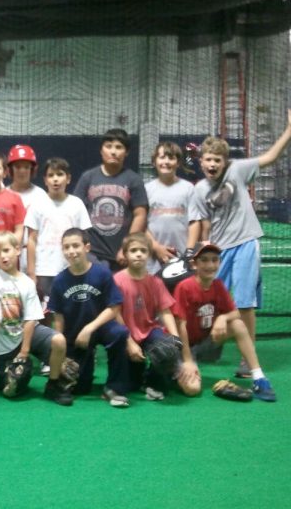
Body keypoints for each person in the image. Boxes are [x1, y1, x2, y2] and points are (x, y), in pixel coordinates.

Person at [193, 112, 291, 377]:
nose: (212, 164)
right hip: (219, 250)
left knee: (245, 302)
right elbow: (204, 223)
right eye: (208, 159)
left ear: (225, 162)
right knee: (211, 302)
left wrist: (289, 130)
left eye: (217, 160)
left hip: (246, 242)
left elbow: (270, 157)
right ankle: (208, 346)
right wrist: (203, 248)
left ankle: (249, 359)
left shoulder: (238, 170)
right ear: (201, 162)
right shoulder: (200, 189)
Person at [172, 242, 276, 402]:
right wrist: (188, 361)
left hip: (203, 345)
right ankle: (172, 373)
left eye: (214, 260)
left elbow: (236, 312)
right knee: (192, 390)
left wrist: (223, 318)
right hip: (181, 348)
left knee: (237, 324)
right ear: (194, 264)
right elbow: (181, 327)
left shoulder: (218, 285)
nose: (210, 265)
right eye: (204, 260)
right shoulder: (185, 287)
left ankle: (259, 378)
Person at [0, 231, 73, 406]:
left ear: (17, 250)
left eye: (6, 250)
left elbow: (31, 319)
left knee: (58, 340)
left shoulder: (26, 283)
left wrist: (24, 352)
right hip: (3, 343)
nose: (3, 256)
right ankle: (14, 375)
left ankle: (53, 384)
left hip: (26, 332)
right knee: (11, 390)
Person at [48, 228, 131, 407]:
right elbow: (58, 316)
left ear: (87, 247)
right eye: (66, 247)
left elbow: (114, 306)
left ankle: (115, 388)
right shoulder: (60, 280)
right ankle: (87, 368)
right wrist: (61, 349)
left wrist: (89, 328)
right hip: (75, 335)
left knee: (119, 333)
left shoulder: (102, 273)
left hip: (100, 328)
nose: (71, 251)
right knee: (80, 388)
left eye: (75, 245)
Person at [113, 233, 179, 400]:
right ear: (125, 254)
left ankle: (152, 381)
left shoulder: (155, 282)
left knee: (168, 348)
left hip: (149, 331)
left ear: (149, 254)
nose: (138, 254)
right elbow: (115, 314)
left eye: (143, 250)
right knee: (130, 384)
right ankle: (138, 377)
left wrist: (175, 336)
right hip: (124, 333)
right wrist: (130, 342)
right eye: (133, 250)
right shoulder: (117, 280)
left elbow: (165, 311)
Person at [74, 128, 148, 271]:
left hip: (121, 256)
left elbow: (140, 215)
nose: (113, 152)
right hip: (92, 253)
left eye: (119, 147)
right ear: (101, 150)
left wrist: (127, 247)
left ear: (126, 152)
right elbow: (75, 211)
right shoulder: (88, 178)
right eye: (108, 146)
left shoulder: (134, 180)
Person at [25, 157, 92, 310]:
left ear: (68, 178)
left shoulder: (77, 204)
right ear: (45, 180)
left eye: (60, 174)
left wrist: (84, 268)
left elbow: (84, 239)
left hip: (72, 267)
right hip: (44, 270)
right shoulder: (37, 205)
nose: (55, 179)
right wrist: (31, 273)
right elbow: (31, 240)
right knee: (47, 311)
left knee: (72, 308)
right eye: (51, 175)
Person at [144, 141, 201, 274]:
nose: (166, 161)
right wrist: (156, 247)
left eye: (171, 158)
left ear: (178, 162)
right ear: (154, 162)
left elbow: (194, 222)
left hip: (181, 258)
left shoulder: (188, 189)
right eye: (162, 157)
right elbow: (141, 225)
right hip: (153, 259)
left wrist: (189, 253)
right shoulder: (146, 189)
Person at [5, 144, 49, 276]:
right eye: (18, 167)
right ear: (10, 170)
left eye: (26, 167)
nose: (22, 171)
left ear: (33, 169)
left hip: (36, 254)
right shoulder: (3, 194)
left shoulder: (41, 195)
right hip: (7, 255)